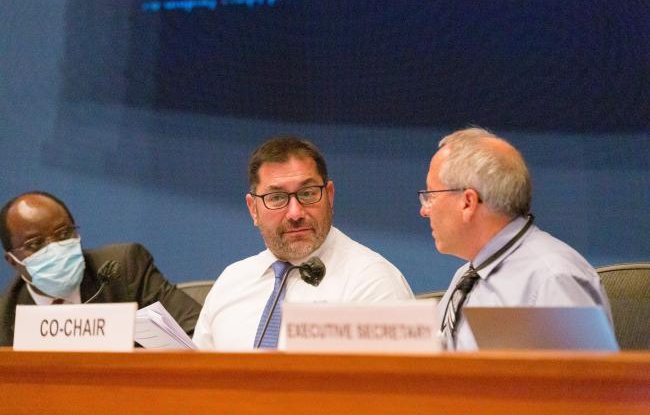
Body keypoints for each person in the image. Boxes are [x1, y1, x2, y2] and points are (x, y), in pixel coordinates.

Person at [193, 137, 413, 351]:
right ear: (253, 209)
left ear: (329, 196)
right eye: (277, 198)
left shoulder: (372, 282)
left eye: (307, 194)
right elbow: (194, 380)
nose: (295, 213)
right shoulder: (231, 282)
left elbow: (396, 384)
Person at [419, 127, 612, 351]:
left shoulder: (554, 278)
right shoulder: (466, 276)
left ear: (468, 202)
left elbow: (587, 383)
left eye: (431, 196)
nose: (425, 210)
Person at [0, 191, 201, 346]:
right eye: (35, 244)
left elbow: (197, 332)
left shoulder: (123, 269)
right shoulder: (5, 318)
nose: (54, 247)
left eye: (63, 234)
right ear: (12, 261)